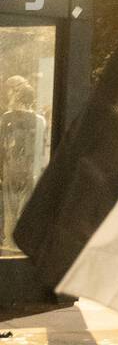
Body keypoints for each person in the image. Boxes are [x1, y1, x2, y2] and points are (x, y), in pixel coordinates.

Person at [0, 77, 46, 253]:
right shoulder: (40, 120)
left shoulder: (7, 118)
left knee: (10, 206)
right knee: (24, 206)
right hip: (29, 168)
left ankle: (9, 242)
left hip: (10, 167)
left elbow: (2, 145)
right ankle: (20, 243)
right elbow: (40, 150)